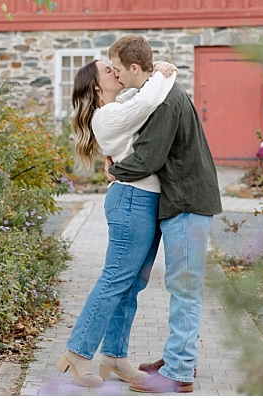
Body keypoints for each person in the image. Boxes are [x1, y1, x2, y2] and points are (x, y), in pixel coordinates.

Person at [106, 35, 223, 394]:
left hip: (188, 203)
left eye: (118, 69)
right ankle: (178, 356)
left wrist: (115, 171)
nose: (115, 75)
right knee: (182, 286)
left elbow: (149, 157)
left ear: (135, 68)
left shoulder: (165, 102)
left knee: (184, 288)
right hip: (183, 201)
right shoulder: (160, 92)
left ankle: (179, 372)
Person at [55, 55, 177, 387]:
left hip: (146, 198)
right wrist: (165, 71)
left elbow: (138, 96)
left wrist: (152, 73)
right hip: (131, 200)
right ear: (97, 86)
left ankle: (114, 356)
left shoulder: (119, 103)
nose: (116, 71)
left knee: (132, 284)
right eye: (108, 70)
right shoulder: (105, 116)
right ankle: (78, 352)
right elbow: (149, 98)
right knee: (114, 280)